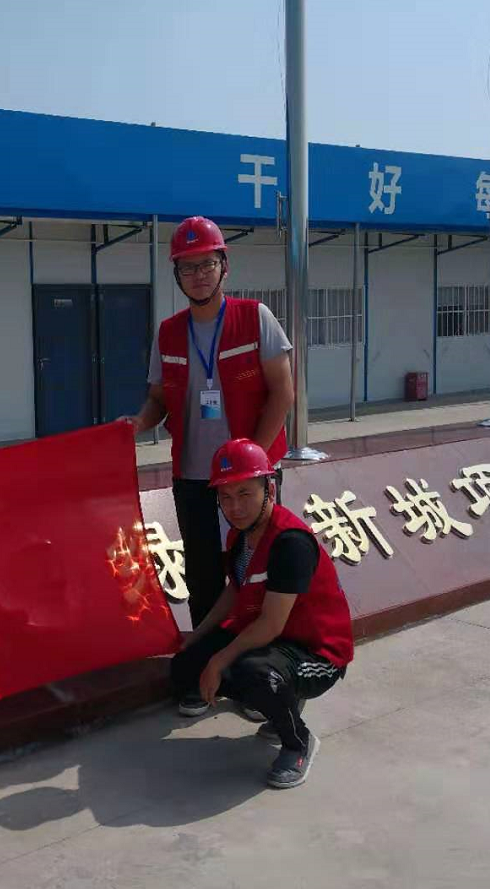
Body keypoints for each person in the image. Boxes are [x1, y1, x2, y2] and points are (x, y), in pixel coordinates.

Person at [125, 217, 294, 635]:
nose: (198, 275)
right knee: (202, 576)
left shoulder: (255, 318)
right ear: (177, 274)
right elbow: (158, 399)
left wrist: (255, 463)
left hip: (250, 478)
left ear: (224, 266)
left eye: (206, 264)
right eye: (187, 267)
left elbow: (283, 393)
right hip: (194, 478)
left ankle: (257, 656)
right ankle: (205, 654)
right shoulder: (168, 333)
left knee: (256, 571)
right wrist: (139, 421)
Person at [169, 439, 354, 789]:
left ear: (269, 489)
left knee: (256, 675)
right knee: (186, 665)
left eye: (245, 493)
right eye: (225, 497)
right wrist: (198, 636)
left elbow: (270, 624)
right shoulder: (241, 536)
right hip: (275, 638)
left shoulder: (290, 543)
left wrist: (219, 661)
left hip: (316, 651)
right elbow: (234, 590)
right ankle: (281, 700)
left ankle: (297, 742)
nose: (235, 507)